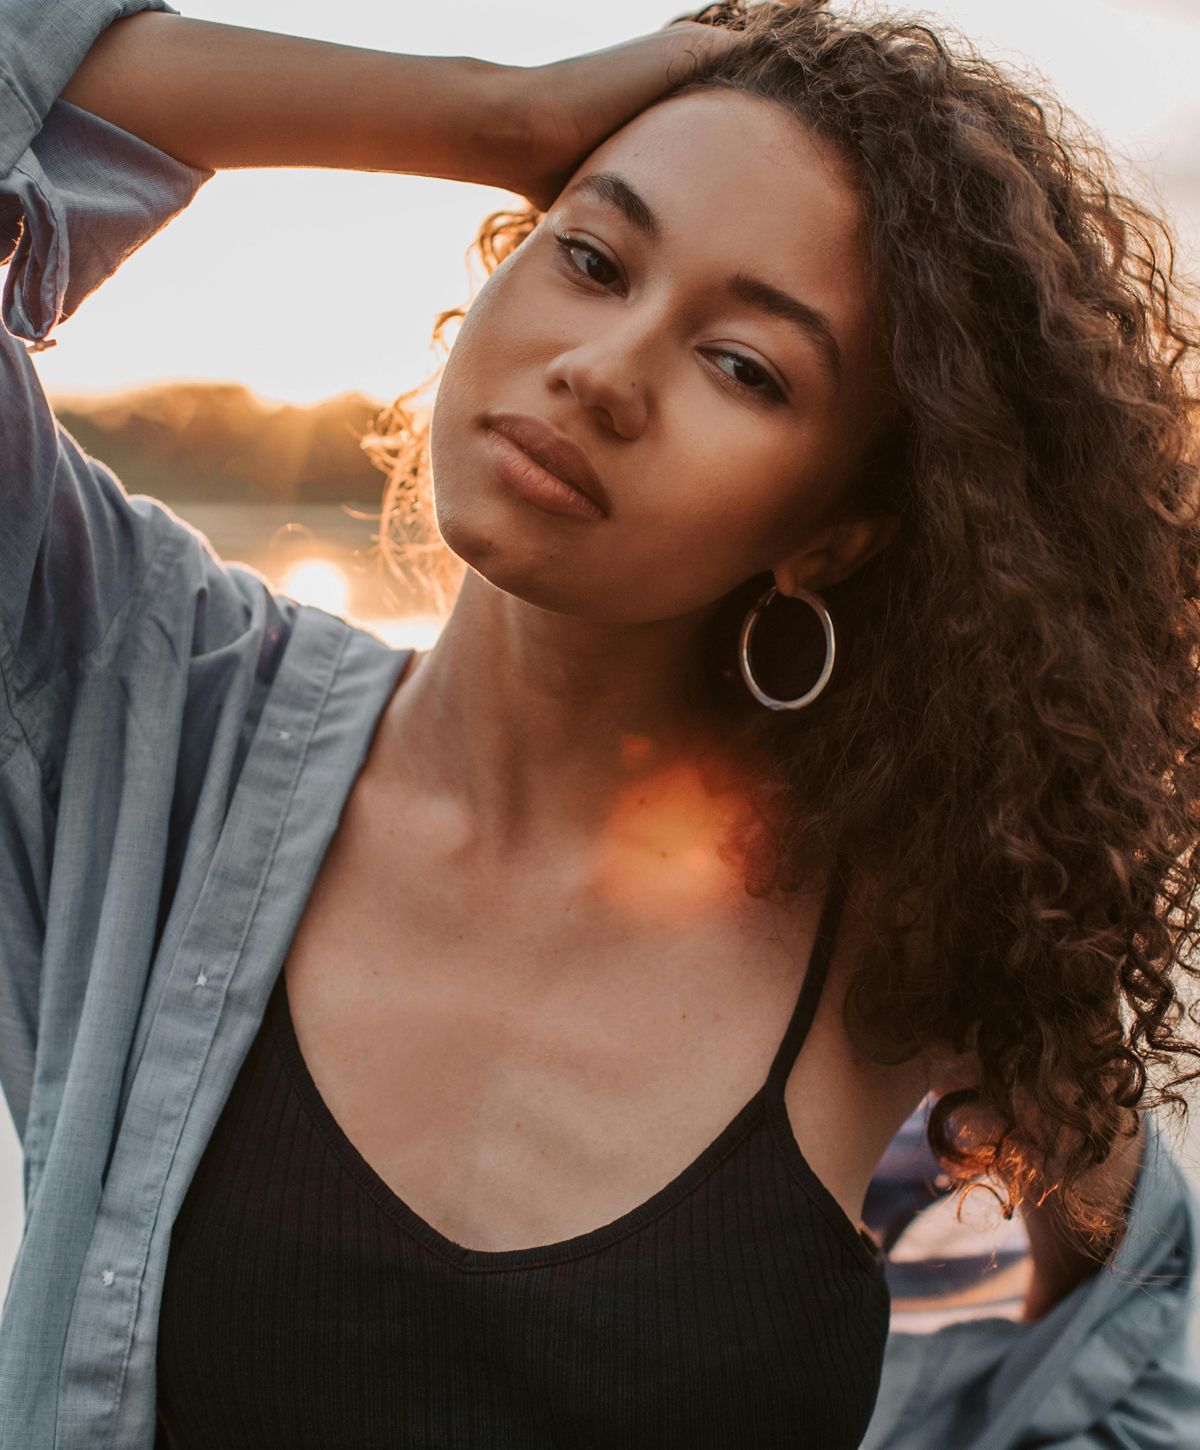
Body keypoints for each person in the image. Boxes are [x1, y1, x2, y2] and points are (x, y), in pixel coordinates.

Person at [0, 0, 1196, 1446]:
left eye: (746, 365)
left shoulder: (920, 1030)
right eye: (590, 255)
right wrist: (495, 115)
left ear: (840, 529)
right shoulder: (151, 712)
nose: (606, 372)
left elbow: (1076, 1387)